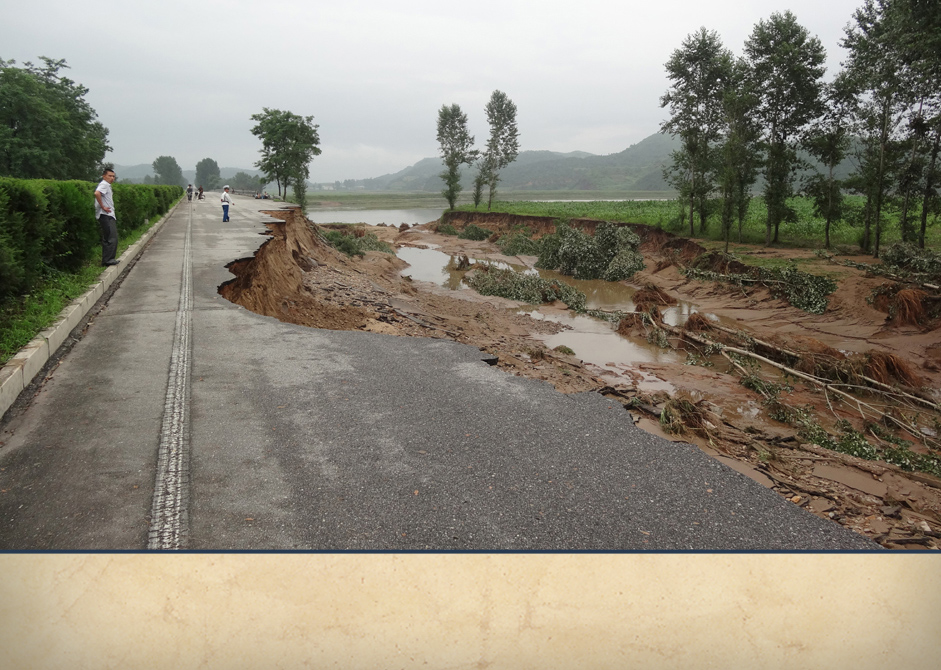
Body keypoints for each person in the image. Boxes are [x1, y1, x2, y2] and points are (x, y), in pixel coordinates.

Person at [94, 168, 120, 266]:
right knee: (112, 238)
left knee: (107, 237)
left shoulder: (107, 185)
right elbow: (97, 193)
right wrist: (103, 206)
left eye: (113, 176)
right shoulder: (104, 184)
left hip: (106, 215)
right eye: (110, 176)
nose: (112, 178)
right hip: (106, 215)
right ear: (104, 176)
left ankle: (106, 259)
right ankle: (109, 260)